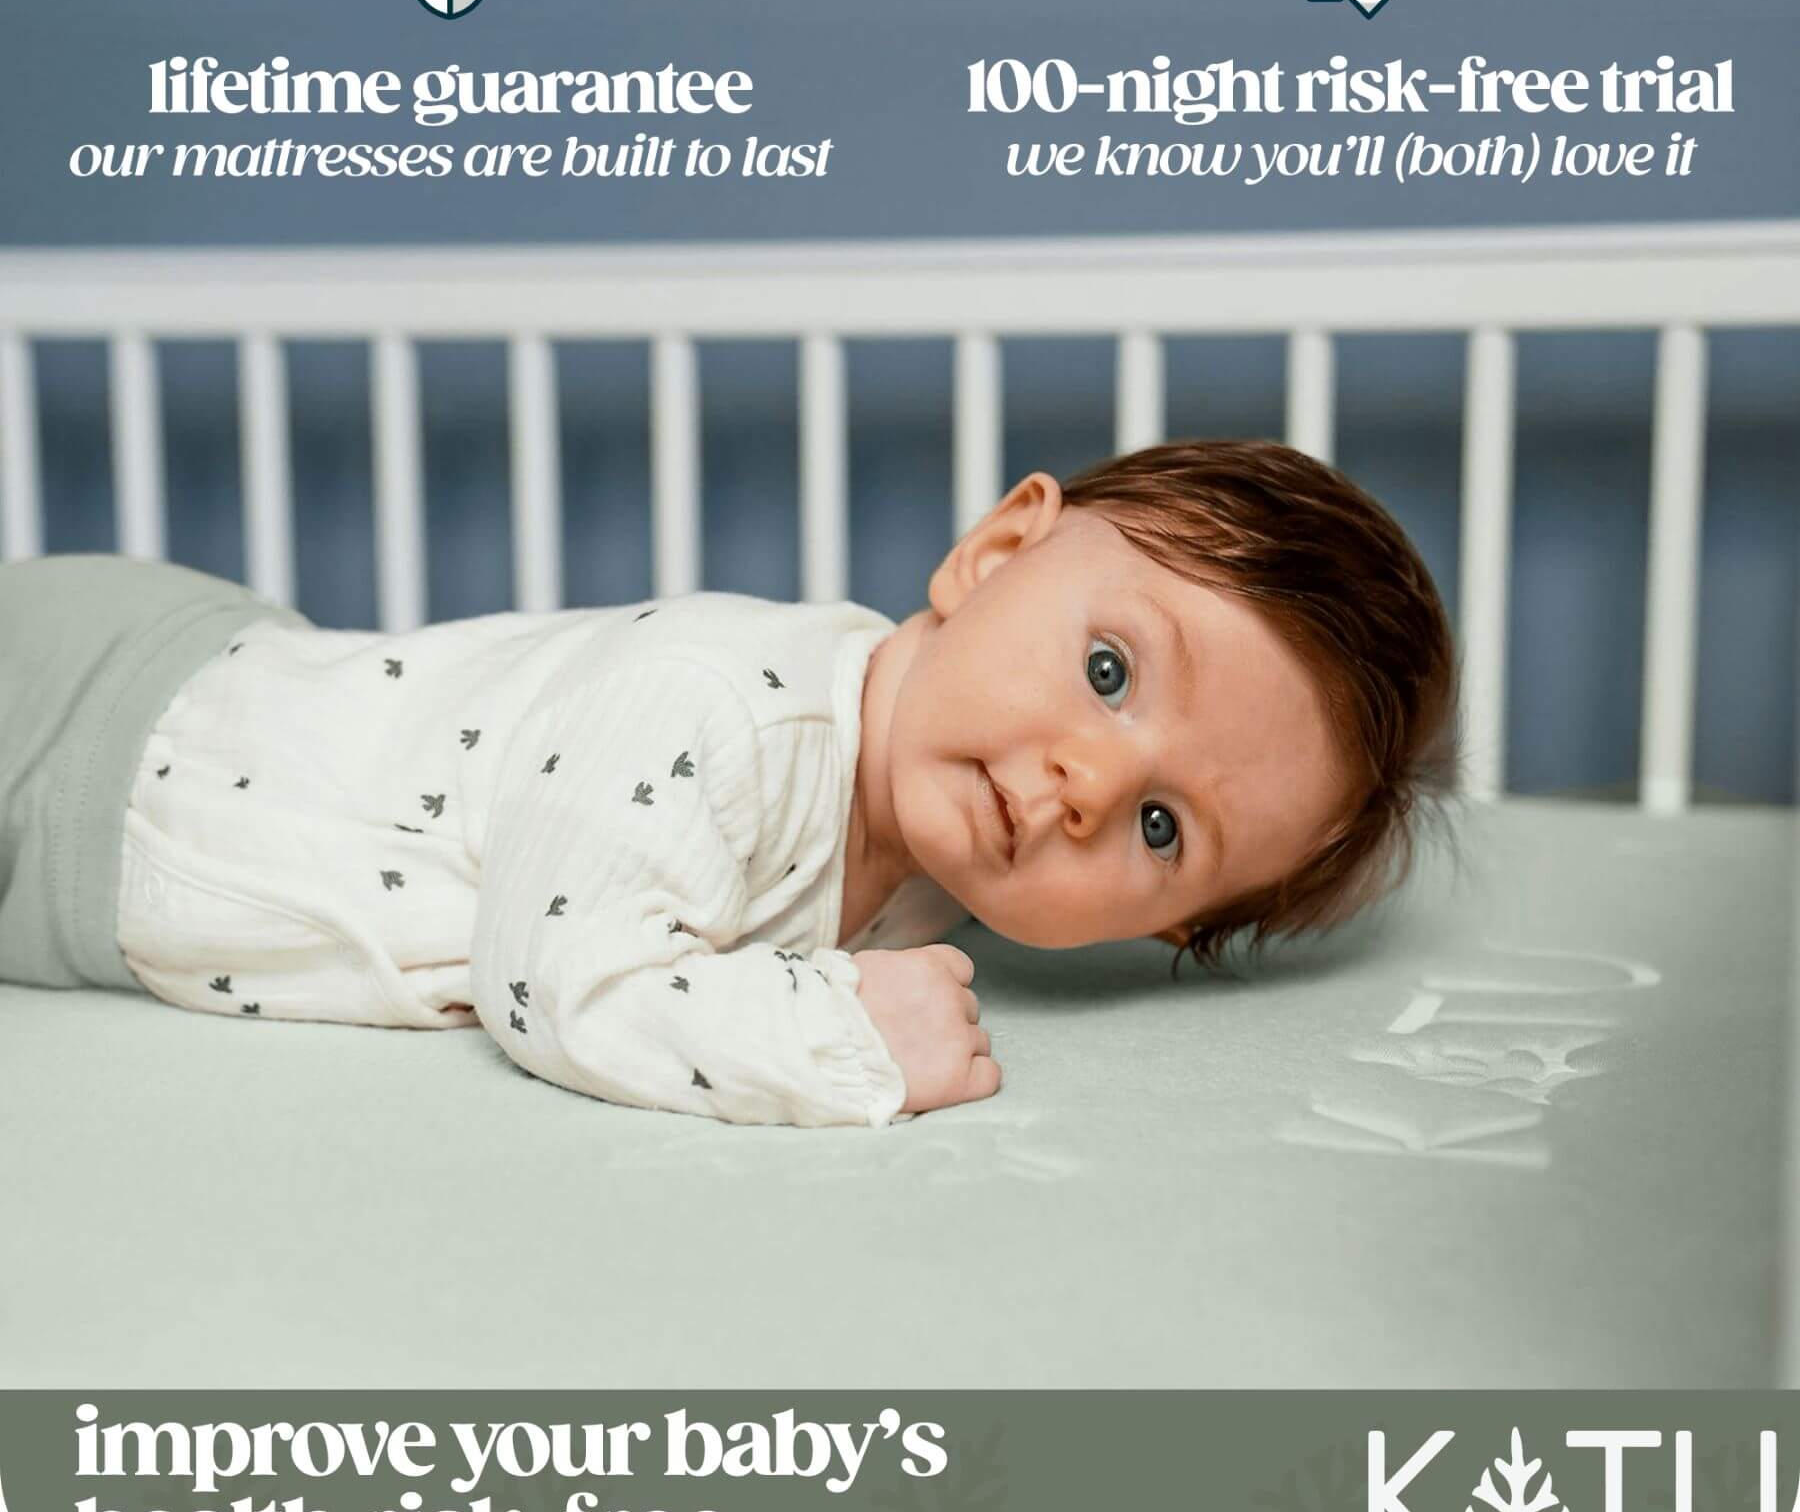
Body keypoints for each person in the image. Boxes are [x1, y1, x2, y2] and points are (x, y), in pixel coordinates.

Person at [0, 439, 1458, 1127]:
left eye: (1162, 829)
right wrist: (842, 1046)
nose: (1089, 783)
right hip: (82, 737)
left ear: (1165, 933)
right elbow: (560, 981)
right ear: (996, 556)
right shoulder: (722, 709)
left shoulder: (921, 886)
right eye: (1109, 674)